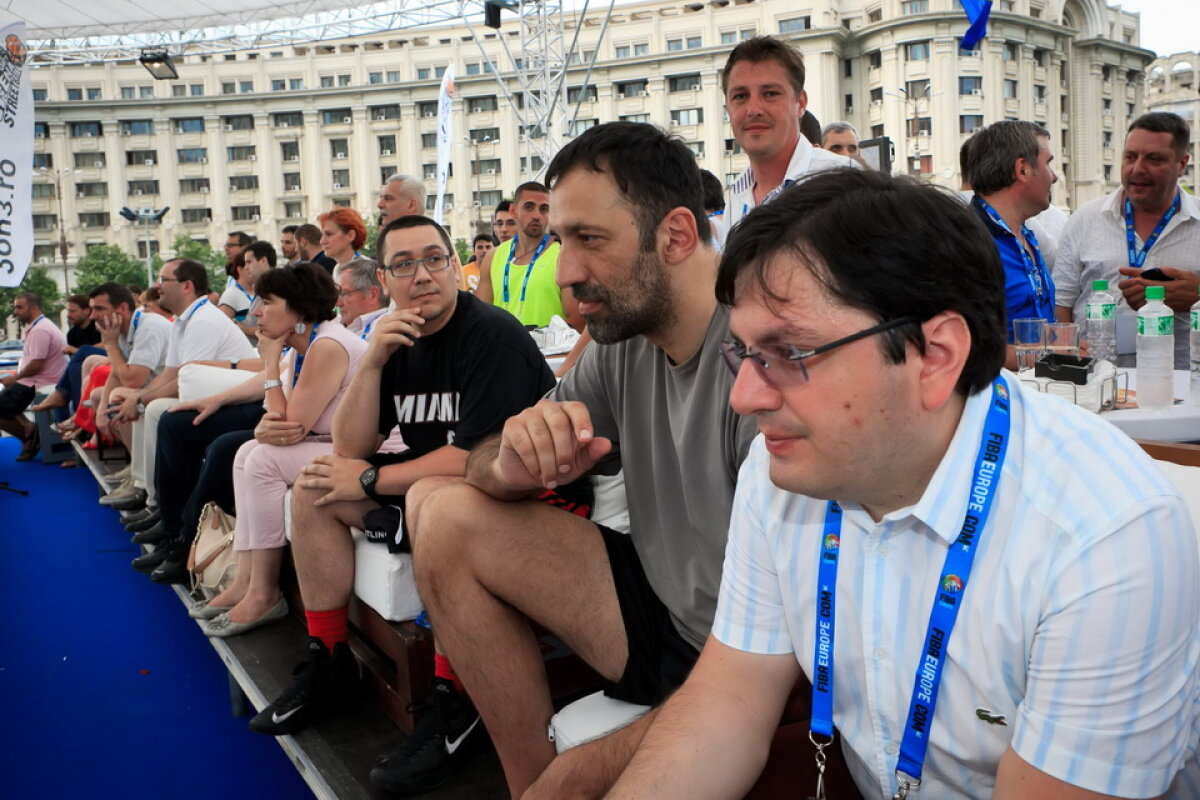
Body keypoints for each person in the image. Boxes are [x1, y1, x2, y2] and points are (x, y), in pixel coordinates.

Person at [606, 167, 1200, 799]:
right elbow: (727, 700)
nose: (745, 397)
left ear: (936, 355)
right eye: (746, 353)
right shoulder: (781, 473)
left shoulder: (1104, 535)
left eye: (791, 354)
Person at [405, 121, 758, 799]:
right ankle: (524, 783)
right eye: (562, 240)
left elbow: (796, 646)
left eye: (588, 240)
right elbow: (479, 465)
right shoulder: (622, 336)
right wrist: (512, 460)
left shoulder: (765, 355)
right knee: (445, 512)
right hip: (660, 607)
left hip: (748, 650)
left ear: (677, 235)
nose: (565, 273)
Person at [247, 215, 555, 770]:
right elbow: (351, 443)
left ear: (454, 266)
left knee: (433, 503)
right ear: (383, 281)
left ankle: (455, 700)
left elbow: (477, 460)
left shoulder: (492, 335)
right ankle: (330, 658)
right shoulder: (393, 340)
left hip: (512, 495)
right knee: (314, 488)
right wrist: (372, 367)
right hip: (428, 486)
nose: (424, 275)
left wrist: (369, 480)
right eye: (405, 265)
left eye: (435, 258)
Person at [182, 264, 368, 635]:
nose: (256, 312)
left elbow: (291, 427)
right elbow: (280, 421)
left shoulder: (328, 345)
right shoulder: (306, 344)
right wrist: (266, 427)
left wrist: (269, 361)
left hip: (366, 452)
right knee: (246, 452)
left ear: (298, 310)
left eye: (267, 302)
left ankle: (265, 594)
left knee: (262, 459)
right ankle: (246, 580)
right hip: (332, 443)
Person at [104, 259, 257, 516]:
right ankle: (147, 492)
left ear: (186, 286)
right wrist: (138, 397)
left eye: (164, 280)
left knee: (155, 409)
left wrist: (140, 400)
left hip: (231, 400)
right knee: (142, 401)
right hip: (207, 392)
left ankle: (157, 503)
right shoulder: (184, 320)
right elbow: (172, 374)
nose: (157, 286)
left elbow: (187, 382)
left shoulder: (203, 321)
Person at [1054, 111, 1198, 369]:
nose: (1138, 169)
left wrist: (1197, 293)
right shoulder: (1085, 218)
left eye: (1154, 159)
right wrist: (1068, 350)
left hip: (1183, 384)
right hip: (1096, 378)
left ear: (1182, 163)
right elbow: (1061, 302)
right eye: (1130, 157)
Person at [717, 36, 855, 238]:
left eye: (770, 93)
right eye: (740, 96)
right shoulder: (736, 196)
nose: (753, 109)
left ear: (800, 103)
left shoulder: (844, 181)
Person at [963, 120, 1058, 360]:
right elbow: (963, 347)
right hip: (994, 395)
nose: (1054, 177)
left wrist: (1064, 349)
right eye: (1048, 163)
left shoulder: (1026, 234)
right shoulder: (968, 241)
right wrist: (1045, 355)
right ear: (1023, 169)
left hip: (1037, 391)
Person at [476, 181, 581, 330]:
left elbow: (576, 320)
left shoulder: (563, 256)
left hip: (549, 352)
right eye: (529, 207)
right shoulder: (493, 257)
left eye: (544, 209)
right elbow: (480, 315)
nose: (537, 215)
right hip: (503, 351)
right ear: (513, 211)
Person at [87, 282, 172, 456]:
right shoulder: (122, 328)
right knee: (97, 397)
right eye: (92, 309)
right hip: (151, 387)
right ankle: (135, 461)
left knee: (118, 396)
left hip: (168, 389)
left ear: (123, 308)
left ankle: (141, 472)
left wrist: (110, 344)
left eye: (99, 309)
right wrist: (101, 411)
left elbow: (131, 381)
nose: (92, 316)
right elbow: (117, 373)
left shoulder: (149, 327)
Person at [0, 293, 67, 461]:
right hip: (36, 380)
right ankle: (28, 427)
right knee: (7, 398)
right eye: (15, 307)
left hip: (40, 382)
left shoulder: (40, 330)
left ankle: (31, 437)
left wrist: (14, 378)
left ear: (34, 308)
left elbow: (37, 365)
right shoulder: (39, 326)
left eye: (19, 307)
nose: (15, 311)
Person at [29, 294, 104, 419]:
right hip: (84, 369)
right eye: (68, 311)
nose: (69, 315)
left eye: (73, 311)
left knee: (83, 352)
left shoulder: (97, 326)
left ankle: (70, 407)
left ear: (86, 311)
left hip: (101, 364)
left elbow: (108, 344)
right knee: (74, 372)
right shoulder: (72, 334)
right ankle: (66, 427)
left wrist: (76, 350)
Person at [218, 240, 276, 336]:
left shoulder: (277, 288)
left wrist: (240, 328)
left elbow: (273, 330)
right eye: (245, 263)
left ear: (263, 261)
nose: (246, 267)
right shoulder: (263, 288)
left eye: (249, 262)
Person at [335, 258, 389, 338]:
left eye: (345, 293)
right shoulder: (339, 323)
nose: (338, 303)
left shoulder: (382, 331)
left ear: (373, 295)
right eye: (337, 294)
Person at [318, 208, 368, 281]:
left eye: (329, 234)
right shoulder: (337, 268)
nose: (322, 241)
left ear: (350, 236)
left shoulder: (367, 270)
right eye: (322, 235)